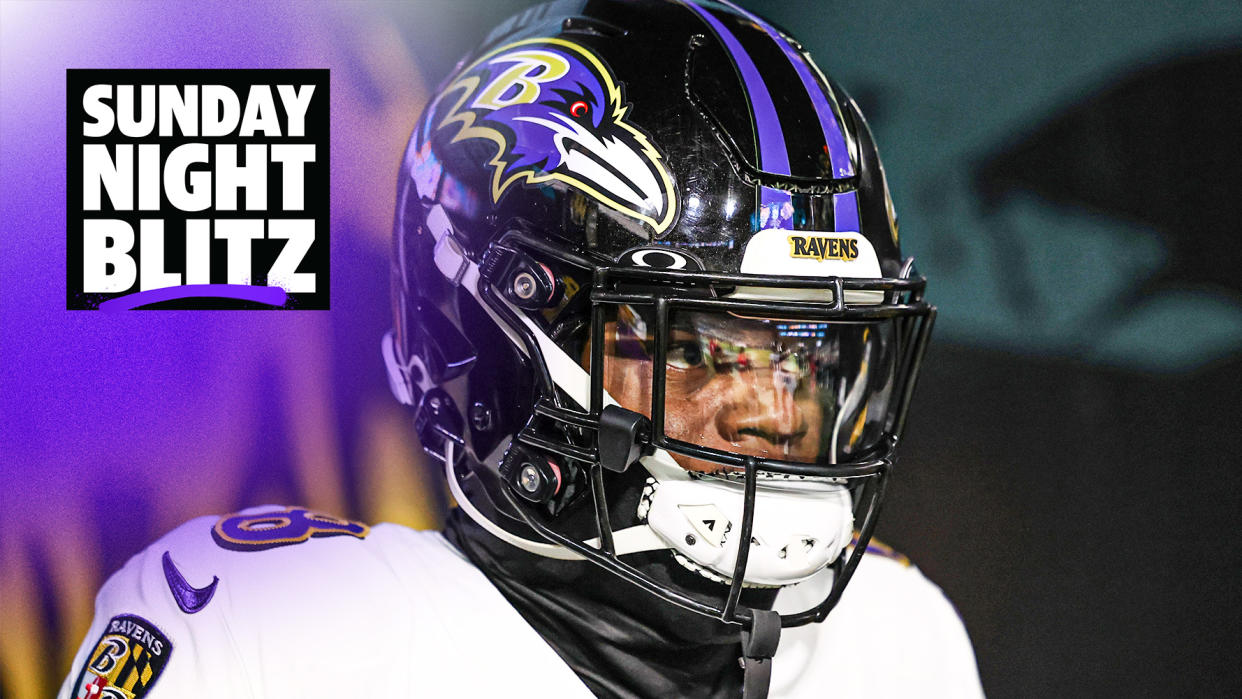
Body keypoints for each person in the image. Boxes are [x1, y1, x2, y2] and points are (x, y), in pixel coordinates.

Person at [60, 1, 983, 697]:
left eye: (807, 349)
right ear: (492, 341)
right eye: (695, 345)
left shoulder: (899, 643)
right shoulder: (277, 637)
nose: (776, 412)